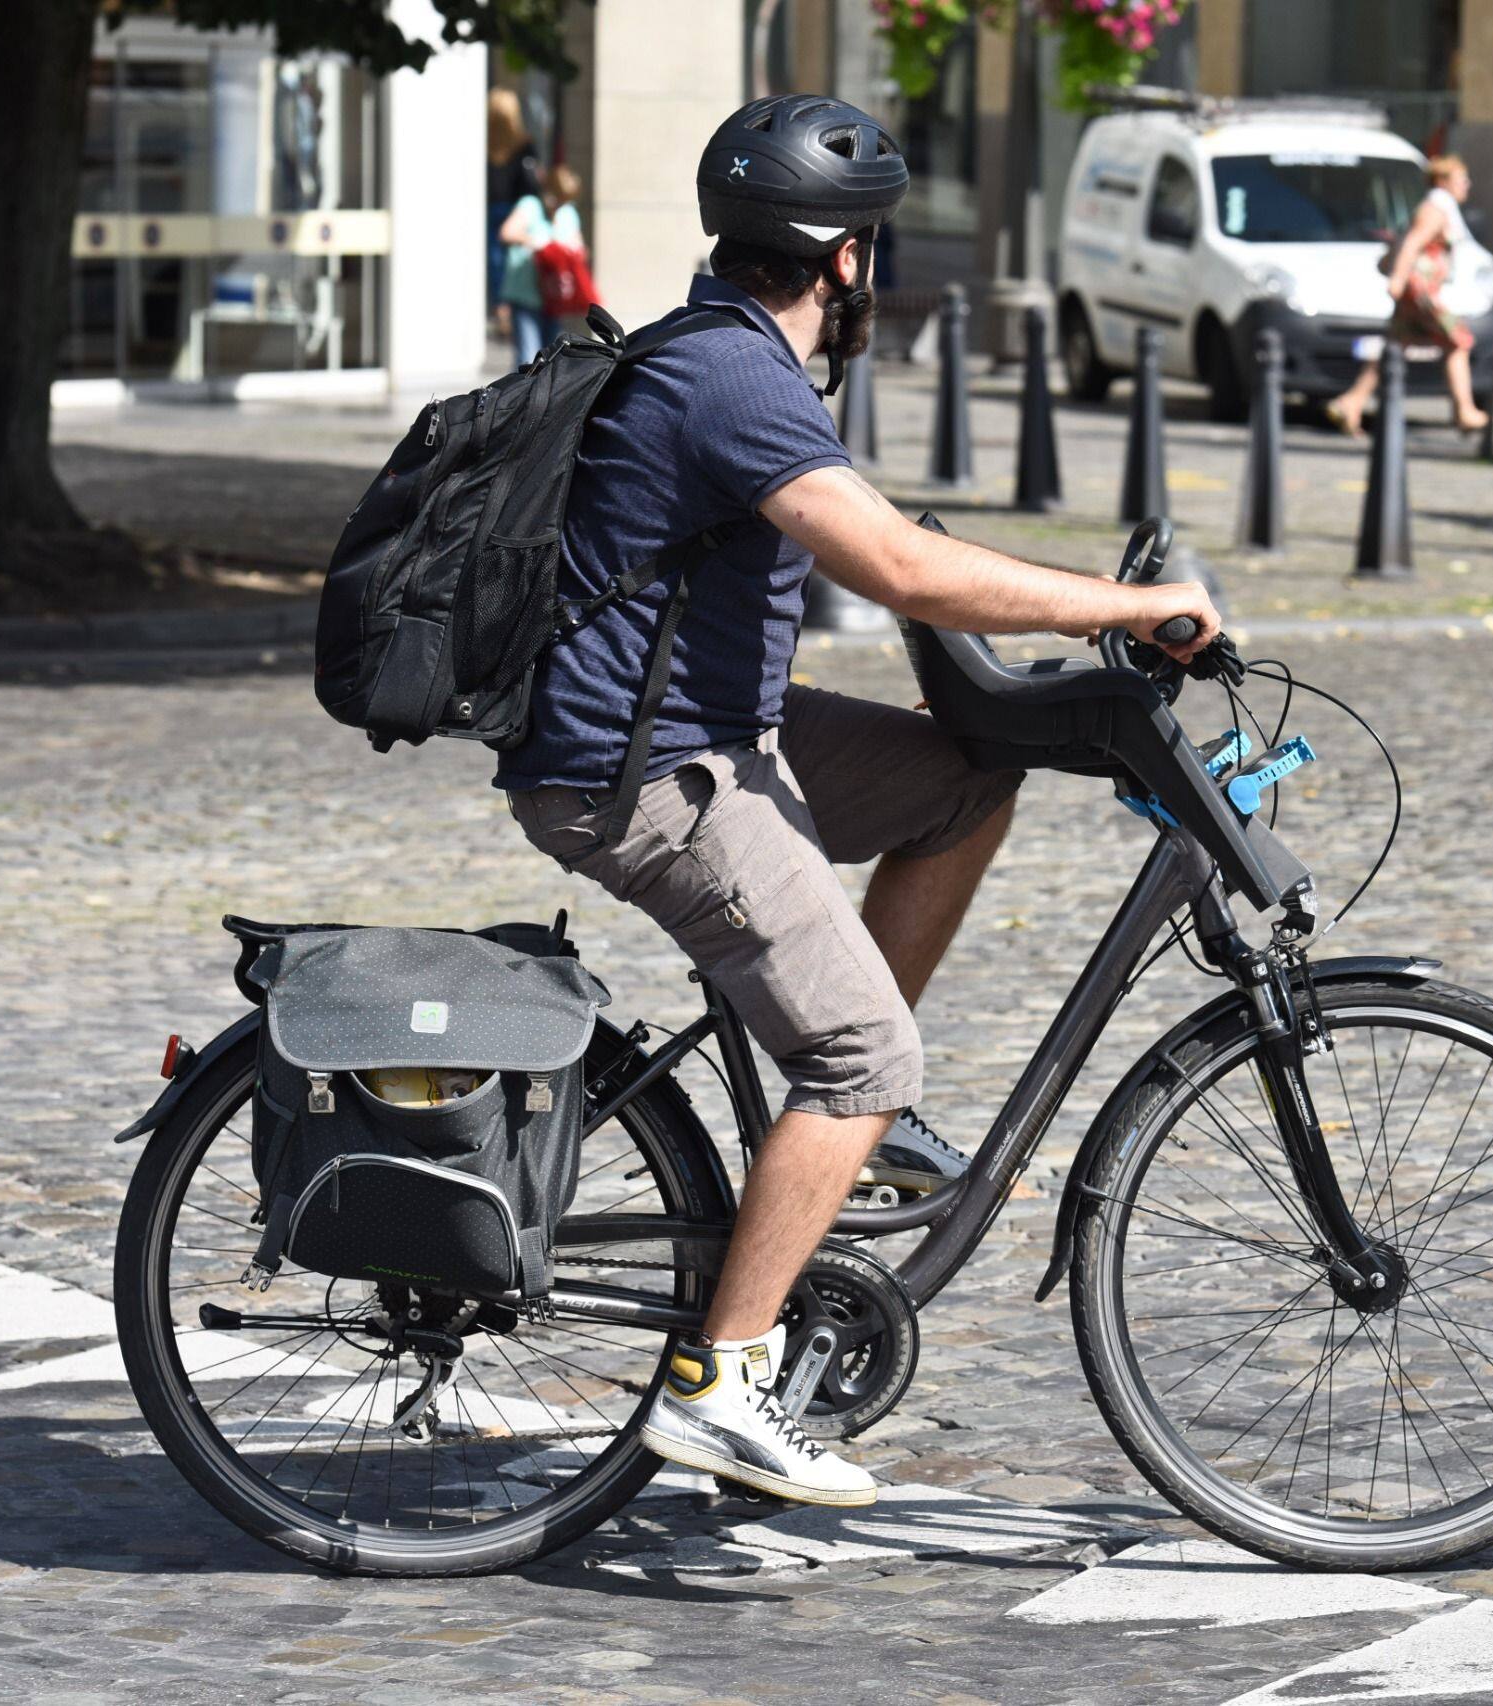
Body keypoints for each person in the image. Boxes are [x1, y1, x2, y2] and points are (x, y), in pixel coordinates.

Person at [497, 94, 1219, 1508]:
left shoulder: (735, 356)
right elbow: (896, 565)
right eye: (870, 250)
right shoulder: (735, 377)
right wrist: (1131, 607)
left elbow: (888, 553)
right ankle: (723, 1378)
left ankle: (843, 1128)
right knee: (862, 1057)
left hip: (710, 728)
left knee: (962, 781)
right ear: (843, 259)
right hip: (641, 772)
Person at [1327, 154, 1489, 437]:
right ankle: (1464, 410)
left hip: (1416, 290)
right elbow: (1413, 242)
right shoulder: (1436, 208)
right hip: (1421, 290)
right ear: (1442, 182)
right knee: (1458, 341)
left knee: (1395, 345)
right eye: (1461, 179)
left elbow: (1405, 240)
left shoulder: (1436, 207)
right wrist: (1399, 279)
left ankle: (1351, 402)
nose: (1467, 185)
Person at [495, 162, 591, 367]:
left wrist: (571, 250)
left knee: (551, 356)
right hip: (526, 293)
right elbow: (507, 232)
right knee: (528, 357)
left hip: (553, 297)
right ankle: (521, 398)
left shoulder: (568, 213)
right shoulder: (530, 205)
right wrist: (533, 241)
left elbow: (580, 248)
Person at [485, 90, 540, 340]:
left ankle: (501, 307)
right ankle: (508, 307)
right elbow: (532, 182)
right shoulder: (523, 143)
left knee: (495, 261)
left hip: (491, 208)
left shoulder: (483, 141)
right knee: (513, 261)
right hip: (516, 210)